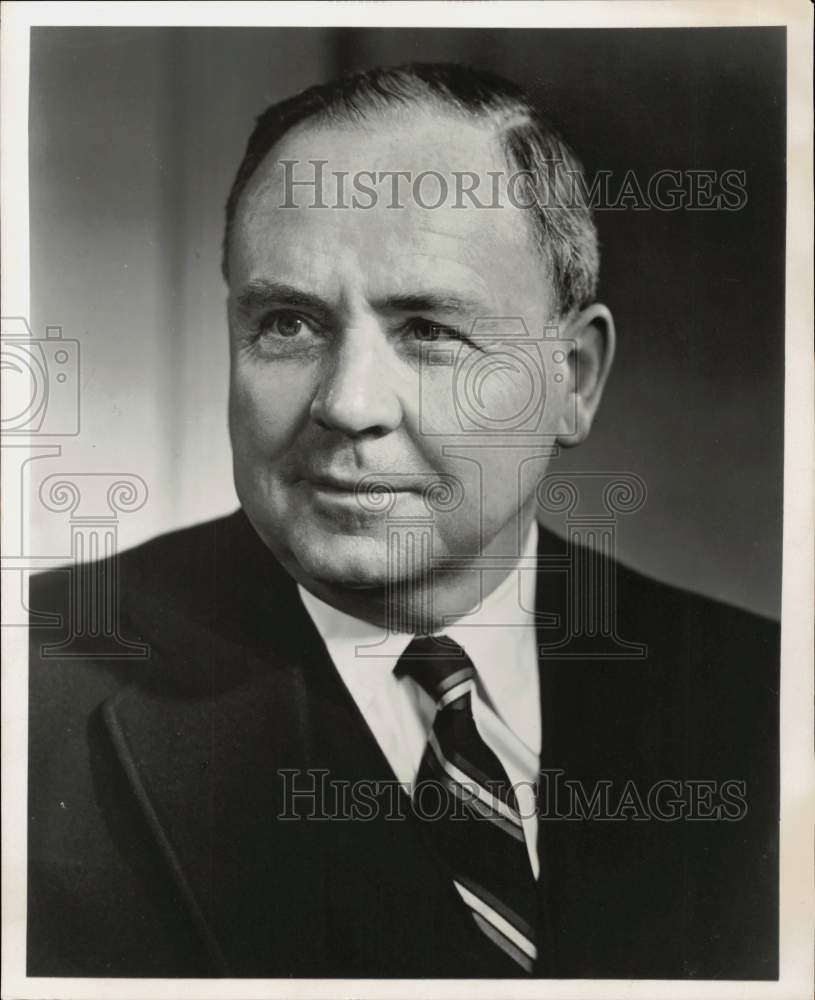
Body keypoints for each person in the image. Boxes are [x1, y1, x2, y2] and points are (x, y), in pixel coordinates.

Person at [27, 63, 778, 979]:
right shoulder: (35, 691)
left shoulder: (763, 698)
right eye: (287, 324)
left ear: (572, 379)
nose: (347, 404)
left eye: (427, 329)